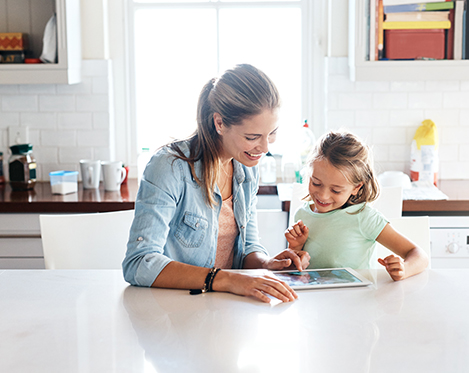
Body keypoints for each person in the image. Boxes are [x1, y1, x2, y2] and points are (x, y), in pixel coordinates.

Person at [123, 64, 310, 303]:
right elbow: (139, 263)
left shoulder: (245, 169)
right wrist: (227, 280)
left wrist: (268, 264)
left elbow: (247, 248)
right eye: (252, 137)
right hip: (173, 310)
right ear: (219, 123)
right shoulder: (169, 167)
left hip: (226, 310)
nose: (264, 148)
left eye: (271, 133)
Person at [285, 130, 428, 281]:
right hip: (316, 301)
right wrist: (295, 248)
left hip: (357, 301)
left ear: (356, 187)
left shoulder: (364, 217)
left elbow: (419, 255)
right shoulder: (302, 215)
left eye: (336, 190)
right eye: (316, 183)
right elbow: (296, 270)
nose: (323, 195)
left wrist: (404, 269)